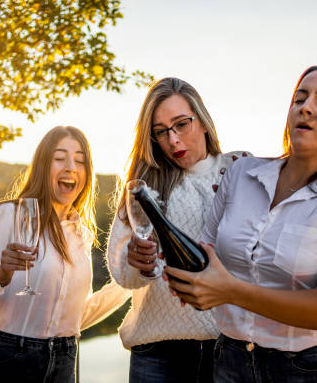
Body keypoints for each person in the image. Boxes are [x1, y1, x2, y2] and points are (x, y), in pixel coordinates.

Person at [165, 64, 317, 382]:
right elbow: (205, 256)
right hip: (228, 362)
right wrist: (176, 272)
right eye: (300, 98)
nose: (306, 107)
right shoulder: (240, 173)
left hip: (312, 369)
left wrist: (230, 291)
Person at [106, 77, 250, 382]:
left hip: (231, 349)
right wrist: (136, 262)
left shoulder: (239, 169)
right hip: (157, 354)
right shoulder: (144, 185)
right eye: (160, 132)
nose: (173, 140)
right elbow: (124, 275)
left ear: (203, 121)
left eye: (181, 124)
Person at [0, 126, 130, 383]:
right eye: (60, 158)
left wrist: (130, 283)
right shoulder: (8, 215)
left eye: (80, 161)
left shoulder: (80, 234)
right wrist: (2, 275)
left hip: (64, 360)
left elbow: (77, 316)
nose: (71, 166)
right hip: (8, 360)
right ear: (43, 166)